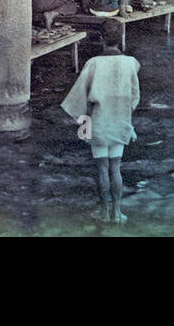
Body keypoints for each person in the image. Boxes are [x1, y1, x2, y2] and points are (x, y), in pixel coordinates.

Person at [60, 20, 140, 224]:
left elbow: (79, 97)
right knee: (116, 168)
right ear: (121, 39)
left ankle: (104, 212)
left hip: (98, 121)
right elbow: (134, 97)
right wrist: (124, 113)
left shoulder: (93, 63)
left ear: (101, 39)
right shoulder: (131, 63)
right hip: (120, 120)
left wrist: (84, 122)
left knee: (102, 168)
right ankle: (118, 212)